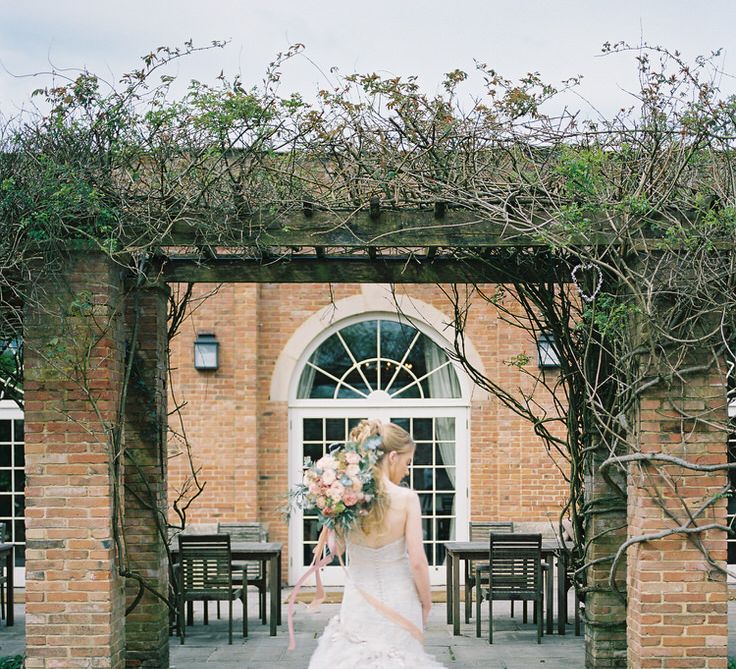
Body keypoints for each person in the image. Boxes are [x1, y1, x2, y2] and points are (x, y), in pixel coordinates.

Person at [307, 419, 447, 668]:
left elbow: (336, 549)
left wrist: (331, 508)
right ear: (392, 457)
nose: (407, 470)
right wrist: (426, 602)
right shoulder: (407, 499)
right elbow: (417, 562)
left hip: (358, 603)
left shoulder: (347, 496)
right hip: (401, 599)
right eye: (407, 462)